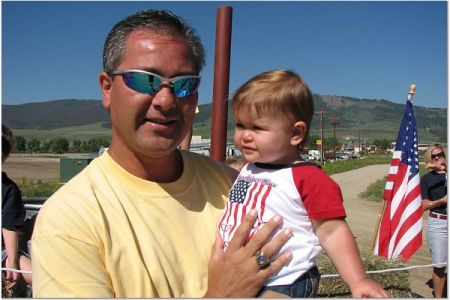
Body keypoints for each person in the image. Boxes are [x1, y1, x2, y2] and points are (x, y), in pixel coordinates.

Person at [31, 10, 293, 297]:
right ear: (107, 88)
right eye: (145, 80)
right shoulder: (69, 220)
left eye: (184, 85)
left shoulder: (234, 186)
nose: (166, 100)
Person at [218, 70, 389, 298]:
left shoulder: (308, 178)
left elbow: (333, 233)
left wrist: (358, 280)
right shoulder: (248, 167)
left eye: (257, 128)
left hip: (285, 280)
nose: (244, 136)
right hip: (239, 276)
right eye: (240, 125)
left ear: (296, 133)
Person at [2, 124, 32, 289]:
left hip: (3, 253)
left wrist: (12, 263)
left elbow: (9, 226)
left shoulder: (8, 189)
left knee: (39, 276)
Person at [420, 144, 447, 298]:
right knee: (439, 266)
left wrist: (443, 168)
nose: (437, 157)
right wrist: (441, 201)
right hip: (438, 223)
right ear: (428, 158)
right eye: (433, 156)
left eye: (439, 154)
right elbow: (423, 205)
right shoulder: (426, 179)